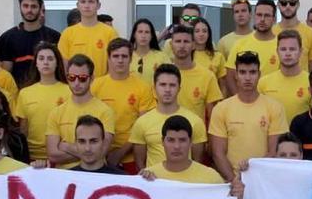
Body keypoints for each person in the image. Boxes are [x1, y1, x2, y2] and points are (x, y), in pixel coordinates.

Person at [211, 51, 288, 181]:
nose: (247, 78)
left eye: (252, 72)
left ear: (259, 75)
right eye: (242, 72)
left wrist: (256, 178)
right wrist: (234, 180)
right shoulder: (221, 109)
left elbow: (274, 151)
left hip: (264, 180)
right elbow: (218, 153)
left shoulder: (275, 107)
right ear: (235, 75)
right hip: (232, 182)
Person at [91, 38, 156, 173]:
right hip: (99, 157)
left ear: (131, 59)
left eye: (124, 56)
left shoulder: (142, 88)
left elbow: (143, 127)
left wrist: (120, 152)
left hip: (131, 157)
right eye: (115, 56)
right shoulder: (96, 85)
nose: (120, 60)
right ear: (108, 58)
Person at [129, 64, 207, 169]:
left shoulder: (195, 122)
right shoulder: (141, 122)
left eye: (172, 85)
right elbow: (140, 164)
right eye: (163, 84)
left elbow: (198, 162)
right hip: (154, 182)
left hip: (184, 182)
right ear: (154, 88)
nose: (167, 90)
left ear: (179, 88)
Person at [46, 54, 116, 169]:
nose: (77, 83)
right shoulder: (56, 113)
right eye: (72, 78)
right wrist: (89, 153)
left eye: (82, 78)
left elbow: (101, 153)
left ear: (92, 78)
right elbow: (53, 155)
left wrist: (67, 147)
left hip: (94, 175)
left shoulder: (105, 111)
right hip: (64, 177)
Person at [16, 42, 71, 162]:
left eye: (50, 59)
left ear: (57, 63)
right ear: (36, 63)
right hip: (32, 156)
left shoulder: (69, 91)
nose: (45, 62)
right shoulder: (25, 93)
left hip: (60, 155)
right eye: (41, 58)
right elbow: (23, 129)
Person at [0, 0, 61, 86]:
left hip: (47, 91)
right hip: (17, 94)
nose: (29, 10)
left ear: (40, 9)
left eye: (34, 6)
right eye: (25, 6)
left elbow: (59, 69)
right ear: (20, 7)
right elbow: (5, 73)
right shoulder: (7, 38)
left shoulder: (54, 37)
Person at [141, 115, 224, 184]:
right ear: (163, 141)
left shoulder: (211, 177)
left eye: (182, 140)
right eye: (171, 140)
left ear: (191, 142)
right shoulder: (148, 176)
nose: (177, 146)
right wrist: (140, 182)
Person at [58, 0, 119, 77]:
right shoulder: (67, 33)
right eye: (83, 2)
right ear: (78, 6)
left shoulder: (110, 33)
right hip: (75, 88)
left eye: (91, 2)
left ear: (98, 5)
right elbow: (64, 66)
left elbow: (114, 65)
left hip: (101, 88)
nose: (87, 6)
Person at [226, 0, 282, 94]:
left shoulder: (281, 46)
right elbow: (230, 76)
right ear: (254, 16)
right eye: (259, 15)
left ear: (274, 19)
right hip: (246, 103)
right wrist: (240, 100)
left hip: (273, 103)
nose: (262, 19)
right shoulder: (240, 44)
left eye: (267, 15)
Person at [169, 25, 223, 122]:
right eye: (178, 41)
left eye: (186, 41)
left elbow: (213, 118)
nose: (182, 46)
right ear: (171, 45)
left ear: (193, 45)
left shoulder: (207, 76)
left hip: (197, 135)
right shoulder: (162, 76)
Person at [257, 30, 312, 120]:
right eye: (283, 49)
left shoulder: (311, 82)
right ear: (277, 51)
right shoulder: (263, 83)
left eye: (292, 49)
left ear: (301, 51)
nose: (287, 53)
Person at [273, 0, 312, 70]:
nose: (288, 6)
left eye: (292, 3)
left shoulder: (311, 34)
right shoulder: (270, 33)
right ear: (278, 5)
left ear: (298, 5)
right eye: (284, 3)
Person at [193, 17, 228, 95]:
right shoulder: (186, 56)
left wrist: (220, 103)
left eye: (204, 31)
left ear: (209, 34)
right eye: (197, 31)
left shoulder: (218, 56)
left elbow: (223, 85)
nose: (201, 34)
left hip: (212, 101)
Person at [129, 18, 169, 85]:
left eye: (147, 32)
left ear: (152, 36)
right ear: (134, 35)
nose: (143, 36)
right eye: (140, 32)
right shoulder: (125, 57)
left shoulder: (162, 57)